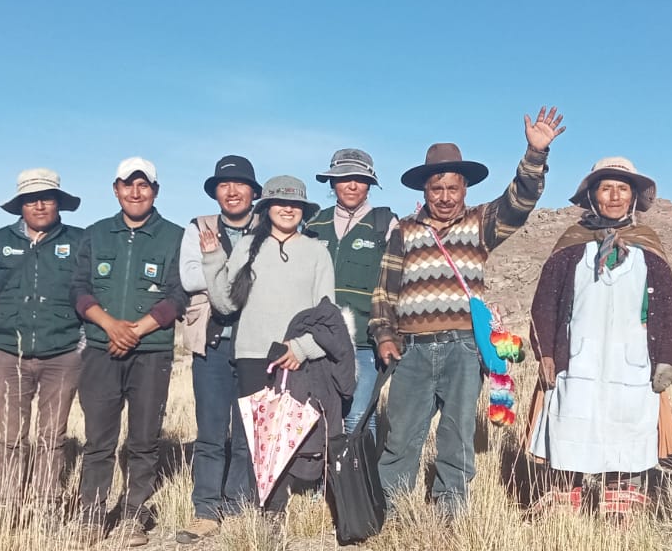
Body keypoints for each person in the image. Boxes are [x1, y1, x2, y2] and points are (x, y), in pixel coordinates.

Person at [370, 108, 565, 516]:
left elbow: (521, 200)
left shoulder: (481, 225)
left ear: (464, 189)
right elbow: (384, 290)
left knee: (457, 435)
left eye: (452, 188)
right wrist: (385, 335)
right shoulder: (404, 231)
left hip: (463, 348)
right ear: (424, 190)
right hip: (413, 350)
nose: (444, 196)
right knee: (402, 435)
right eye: (436, 188)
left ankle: (450, 512)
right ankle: (391, 508)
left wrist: (534, 153)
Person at [528, 157, 672, 516]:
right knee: (570, 421)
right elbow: (545, 304)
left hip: (632, 362)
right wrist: (546, 353)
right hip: (576, 360)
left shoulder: (649, 247)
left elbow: (670, 308)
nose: (614, 196)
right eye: (606, 187)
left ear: (633, 197)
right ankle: (564, 500)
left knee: (627, 425)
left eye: (622, 189)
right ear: (593, 195)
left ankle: (622, 502)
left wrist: (667, 358)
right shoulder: (570, 246)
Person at [196, 175, 338, 520]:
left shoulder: (317, 252)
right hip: (251, 355)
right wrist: (213, 258)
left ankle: (278, 510)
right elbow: (227, 304)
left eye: (295, 204)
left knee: (288, 436)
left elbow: (327, 315)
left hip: (295, 358)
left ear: (303, 210)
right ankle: (254, 508)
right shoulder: (247, 246)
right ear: (267, 208)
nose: (287, 209)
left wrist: (303, 349)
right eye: (280, 202)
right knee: (255, 438)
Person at [72, 157, 188, 545]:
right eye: (128, 185)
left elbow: (178, 295)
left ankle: (133, 516)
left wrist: (136, 330)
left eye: (144, 185)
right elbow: (80, 290)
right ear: (115, 189)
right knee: (99, 438)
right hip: (102, 349)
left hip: (151, 350)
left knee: (143, 438)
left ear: (155, 191)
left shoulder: (175, 236)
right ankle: (91, 515)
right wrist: (110, 326)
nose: (135, 192)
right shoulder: (94, 234)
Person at [0, 169, 87, 518]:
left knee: (53, 436)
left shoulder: (79, 241)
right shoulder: (0, 239)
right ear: (20, 205)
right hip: (7, 354)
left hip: (63, 354)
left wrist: (79, 345)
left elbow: (88, 294)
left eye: (46, 198)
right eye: (31, 199)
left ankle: (46, 506)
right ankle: (7, 505)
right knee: (10, 436)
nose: (39, 205)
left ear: (58, 203)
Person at [178, 154, 263, 538]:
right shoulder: (198, 227)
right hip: (211, 343)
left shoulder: (267, 227)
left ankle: (239, 504)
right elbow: (190, 276)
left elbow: (275, 276)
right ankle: (206, 510)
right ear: (215, 193)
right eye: (224, 186)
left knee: (248, 431)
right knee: (211, 431)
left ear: (254, 192)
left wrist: (216, 265)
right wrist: (241, 275)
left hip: (256, 346)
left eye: (240, 185)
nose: (232, 192)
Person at [305, 148, 395, 437]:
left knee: (359, 416)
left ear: (370, 184)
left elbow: (397, 281)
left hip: (364, 343)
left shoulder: (385, 224)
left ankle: (359, 481)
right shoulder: (313, 225)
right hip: (318, 342)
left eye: (359, 178)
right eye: (344, 178)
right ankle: (323, 481)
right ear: (332, 183)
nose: (352, 185)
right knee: (319, 413)